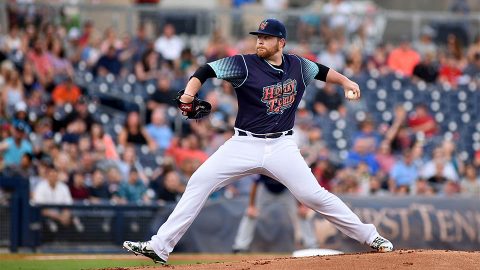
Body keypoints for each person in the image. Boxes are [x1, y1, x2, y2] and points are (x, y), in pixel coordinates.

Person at [123, 18, 393, 264]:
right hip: (244, 144)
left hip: (282, 146)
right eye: (258, 37)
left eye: (265, 37)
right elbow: (205, 70)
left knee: (314, 196)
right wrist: (188, 96)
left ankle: (372, 238)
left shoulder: (298, 65)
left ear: (281, 42)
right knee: (199, 181)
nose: (259, 41)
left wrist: (347, 82)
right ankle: (160, 246)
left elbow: (322, 71)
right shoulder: (244, 63)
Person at [232, 174, 319, 253]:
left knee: (301, 214)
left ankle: (312, 246)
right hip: (266, 190)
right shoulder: (265, 163)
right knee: (250, 214)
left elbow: (296, 184)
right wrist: (251, 205)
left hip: (286, 190)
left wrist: (301, 205)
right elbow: (255, 184)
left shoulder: (286, 165)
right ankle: (240, 247)